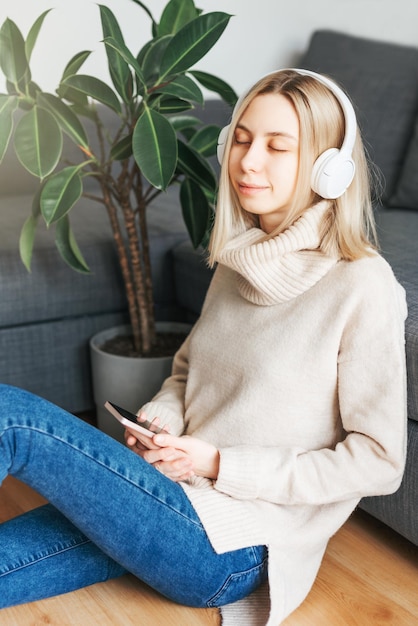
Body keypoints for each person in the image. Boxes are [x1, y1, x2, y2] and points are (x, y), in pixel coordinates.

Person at [0, 69, 407, 625]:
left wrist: (219, 463)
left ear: (327, 168)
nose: (247, 161)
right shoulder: (239, 260)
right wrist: (162, 420)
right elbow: (188, 371)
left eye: (276, 146)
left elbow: (380, 463)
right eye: (240, 139)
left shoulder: (362, 285)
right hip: (170, 493)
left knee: (10, 416)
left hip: (232, 546)